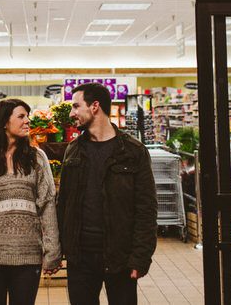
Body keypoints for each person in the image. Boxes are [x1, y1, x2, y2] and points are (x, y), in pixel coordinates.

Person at [57, 83, 157, 305]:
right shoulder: (73, 150)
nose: (72, 113)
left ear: (94, 106)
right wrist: (61, 248)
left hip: (120, 255)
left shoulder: (132, 151)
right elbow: (63, 203)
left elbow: (146, 208)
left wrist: (140, 256)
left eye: (76, 106)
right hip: (80, 257)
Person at [0, 98, 61, 305]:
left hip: (28, 255)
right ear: (4, 122)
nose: (27, 121)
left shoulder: (37, 158)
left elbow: (47, 206)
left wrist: (52, 251)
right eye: (21, 116)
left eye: (28, 116)